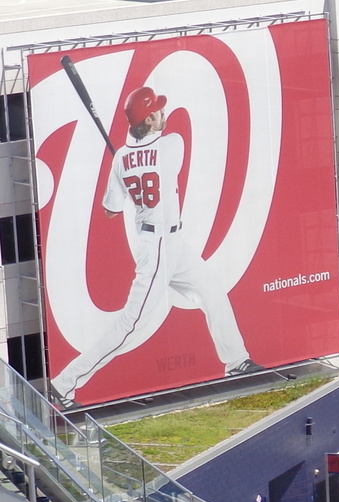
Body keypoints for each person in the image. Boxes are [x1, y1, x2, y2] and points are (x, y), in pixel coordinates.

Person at [53, 84, 257, 407]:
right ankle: (64, 384)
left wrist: (126, 166)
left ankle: (236, 362)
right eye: (157, 112)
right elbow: (157, 165)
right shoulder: (172, 145)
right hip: (157, 248)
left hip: (171, 242)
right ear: (147, 120)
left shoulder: (121, 158)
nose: (163, 114)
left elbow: (111, 210)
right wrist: (134, 162)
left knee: (212, 290)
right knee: (129, 325)